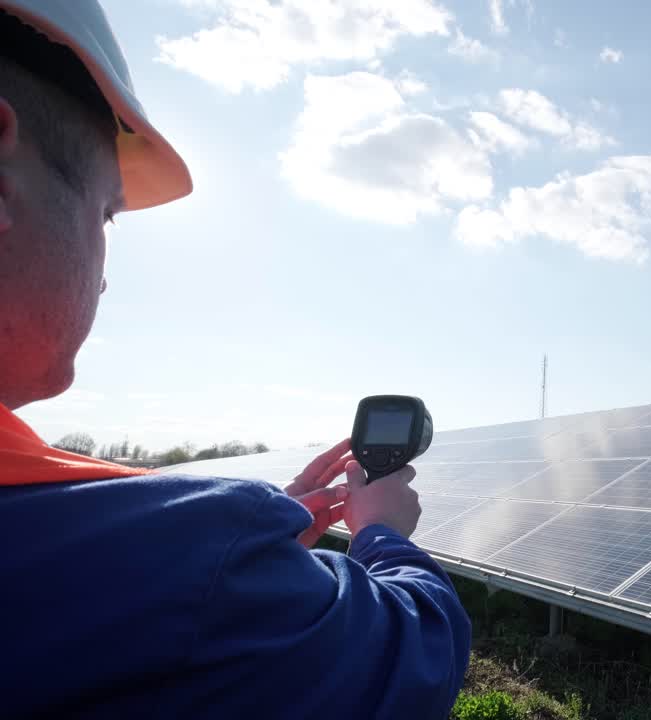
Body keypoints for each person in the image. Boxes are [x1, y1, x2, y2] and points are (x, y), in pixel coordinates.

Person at [0, 2, 471, 717]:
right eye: (104, 213)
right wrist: (379, 532)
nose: (102, 276)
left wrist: (256, 555)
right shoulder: (190, 554)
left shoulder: (171, 553)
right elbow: (417, 651)